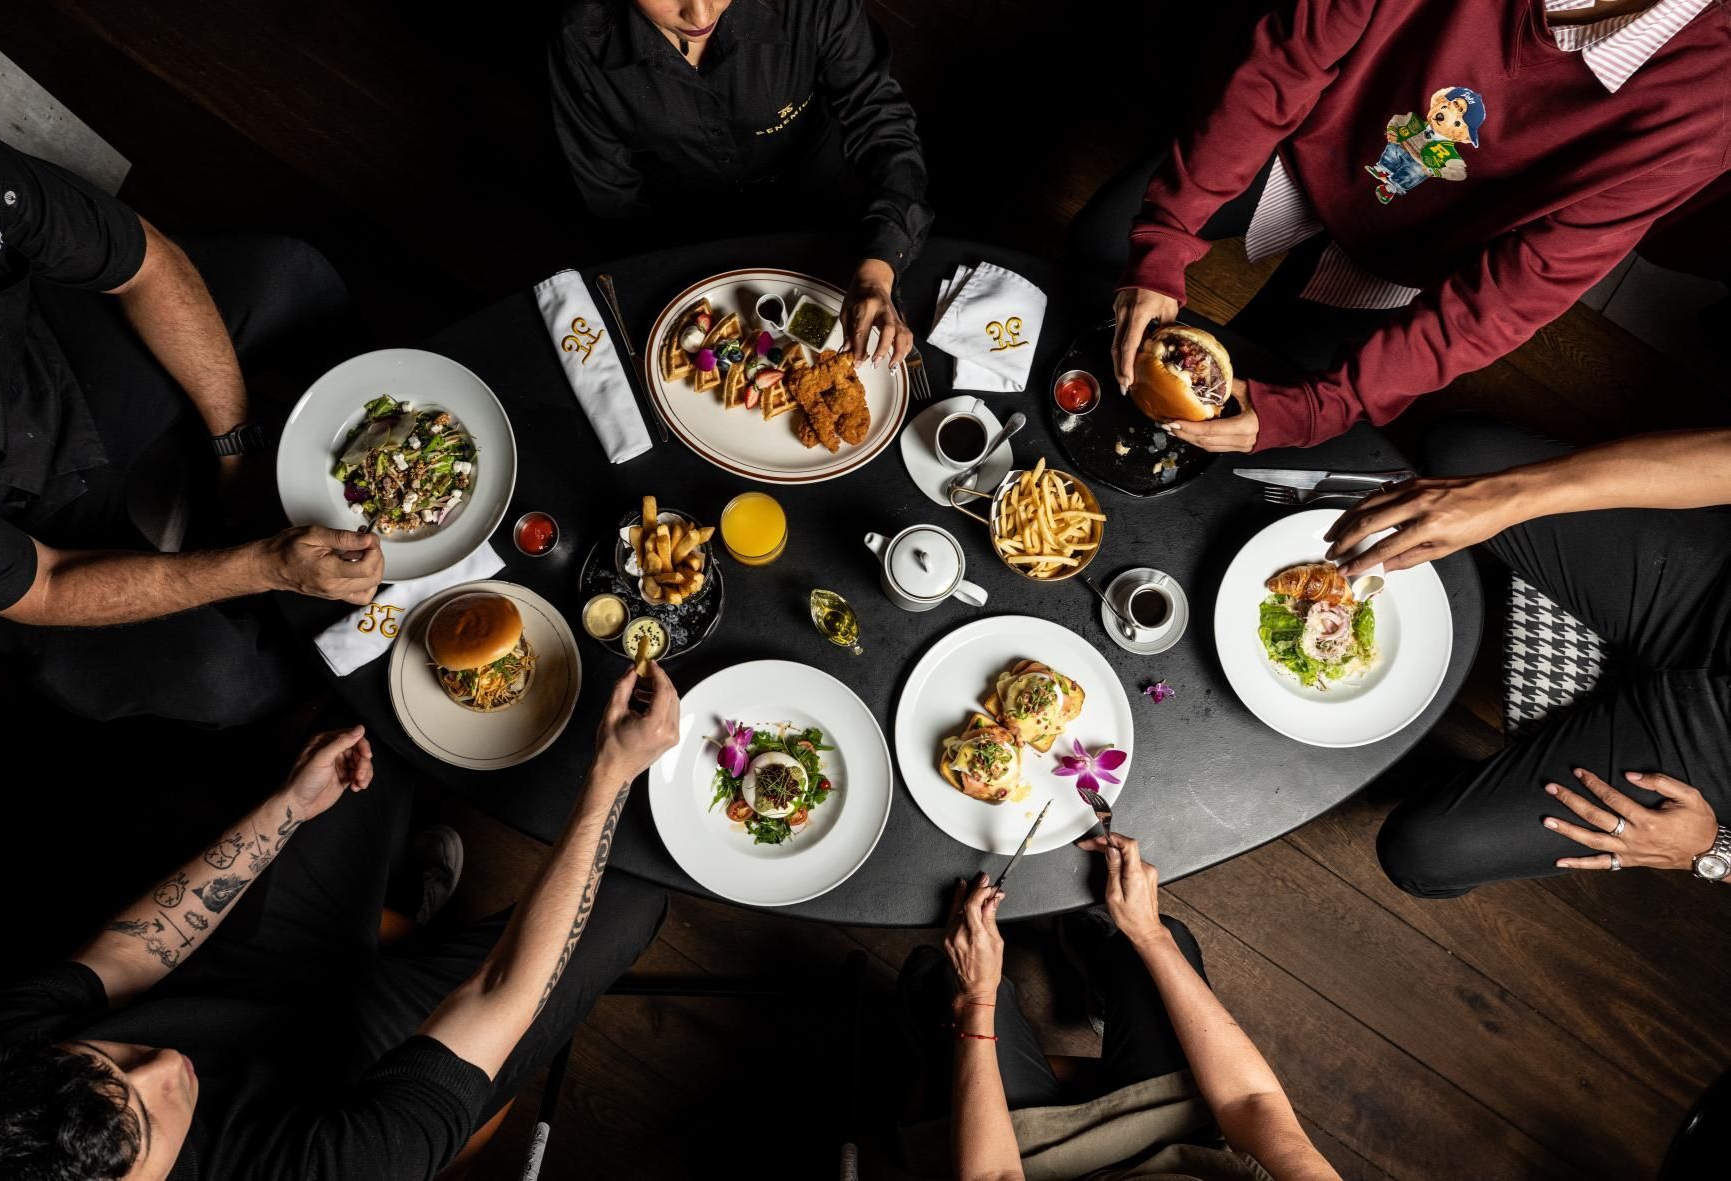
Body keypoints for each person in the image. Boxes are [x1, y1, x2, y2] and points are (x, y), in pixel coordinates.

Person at [0, 663, 680, 1180]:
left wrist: (285, 810)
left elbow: (125, 959)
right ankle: (411, 910)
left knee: (377, 702)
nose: (162, 1063)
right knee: (635, 887)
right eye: (147, 1120)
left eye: (112, 1059)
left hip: (250, 975)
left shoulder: (0, 1075)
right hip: (364, 1074)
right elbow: (496, 994)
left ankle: (404, 901)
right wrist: (608, 779)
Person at [1067, 0, 1728, 454]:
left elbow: (1514, 294)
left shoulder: (1710, 101)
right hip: (1303, 139)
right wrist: (1166, 233)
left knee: (1268, 388)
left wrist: (1327, 406)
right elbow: (1287, 63)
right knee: (1101, 247)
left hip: (1417, 257)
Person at [0, 128, 380, 726]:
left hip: (48, 364)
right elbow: (48, 585)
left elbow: (148, 268)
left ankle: (234, 501)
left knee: (295, 281)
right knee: (224, 677)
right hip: (16, 539)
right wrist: (261, 567)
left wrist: (237, 448)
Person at [1321, 415, 1731, 895]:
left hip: (1712, 756)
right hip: (1710, 586)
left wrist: (1714, 853)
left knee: (1419, 853)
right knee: (1462, 458)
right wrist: (1510, 496)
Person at [896, 834, 1340, 1180]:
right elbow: (1250, 1101)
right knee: (1167, 938)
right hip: (1177, 1135)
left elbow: (993, 1175)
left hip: (1032, 1166)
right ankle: (1106, 975)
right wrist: (1149, 934)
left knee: (940, 978)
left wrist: (976, 999)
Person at [548, 0, 931, 366]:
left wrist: (881, 264)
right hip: (686, 236)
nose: (700, 15)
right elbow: (611, 194)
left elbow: (882, 126)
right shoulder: (581, 39)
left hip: (823, 219)